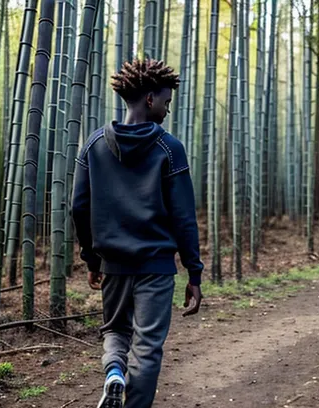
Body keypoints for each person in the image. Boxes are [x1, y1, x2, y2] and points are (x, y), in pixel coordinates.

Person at [72, 58, 204, 408]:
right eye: (166, 101)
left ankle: (114, 372)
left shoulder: (94, 144)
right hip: (156, 268)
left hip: (113, 263)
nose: (168, 109)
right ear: (149, 99)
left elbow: (78, 207)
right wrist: (194, 271)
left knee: (116, 331)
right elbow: (183, 217)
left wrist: (92, 257)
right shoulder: (168, 148)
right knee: (146, 348)